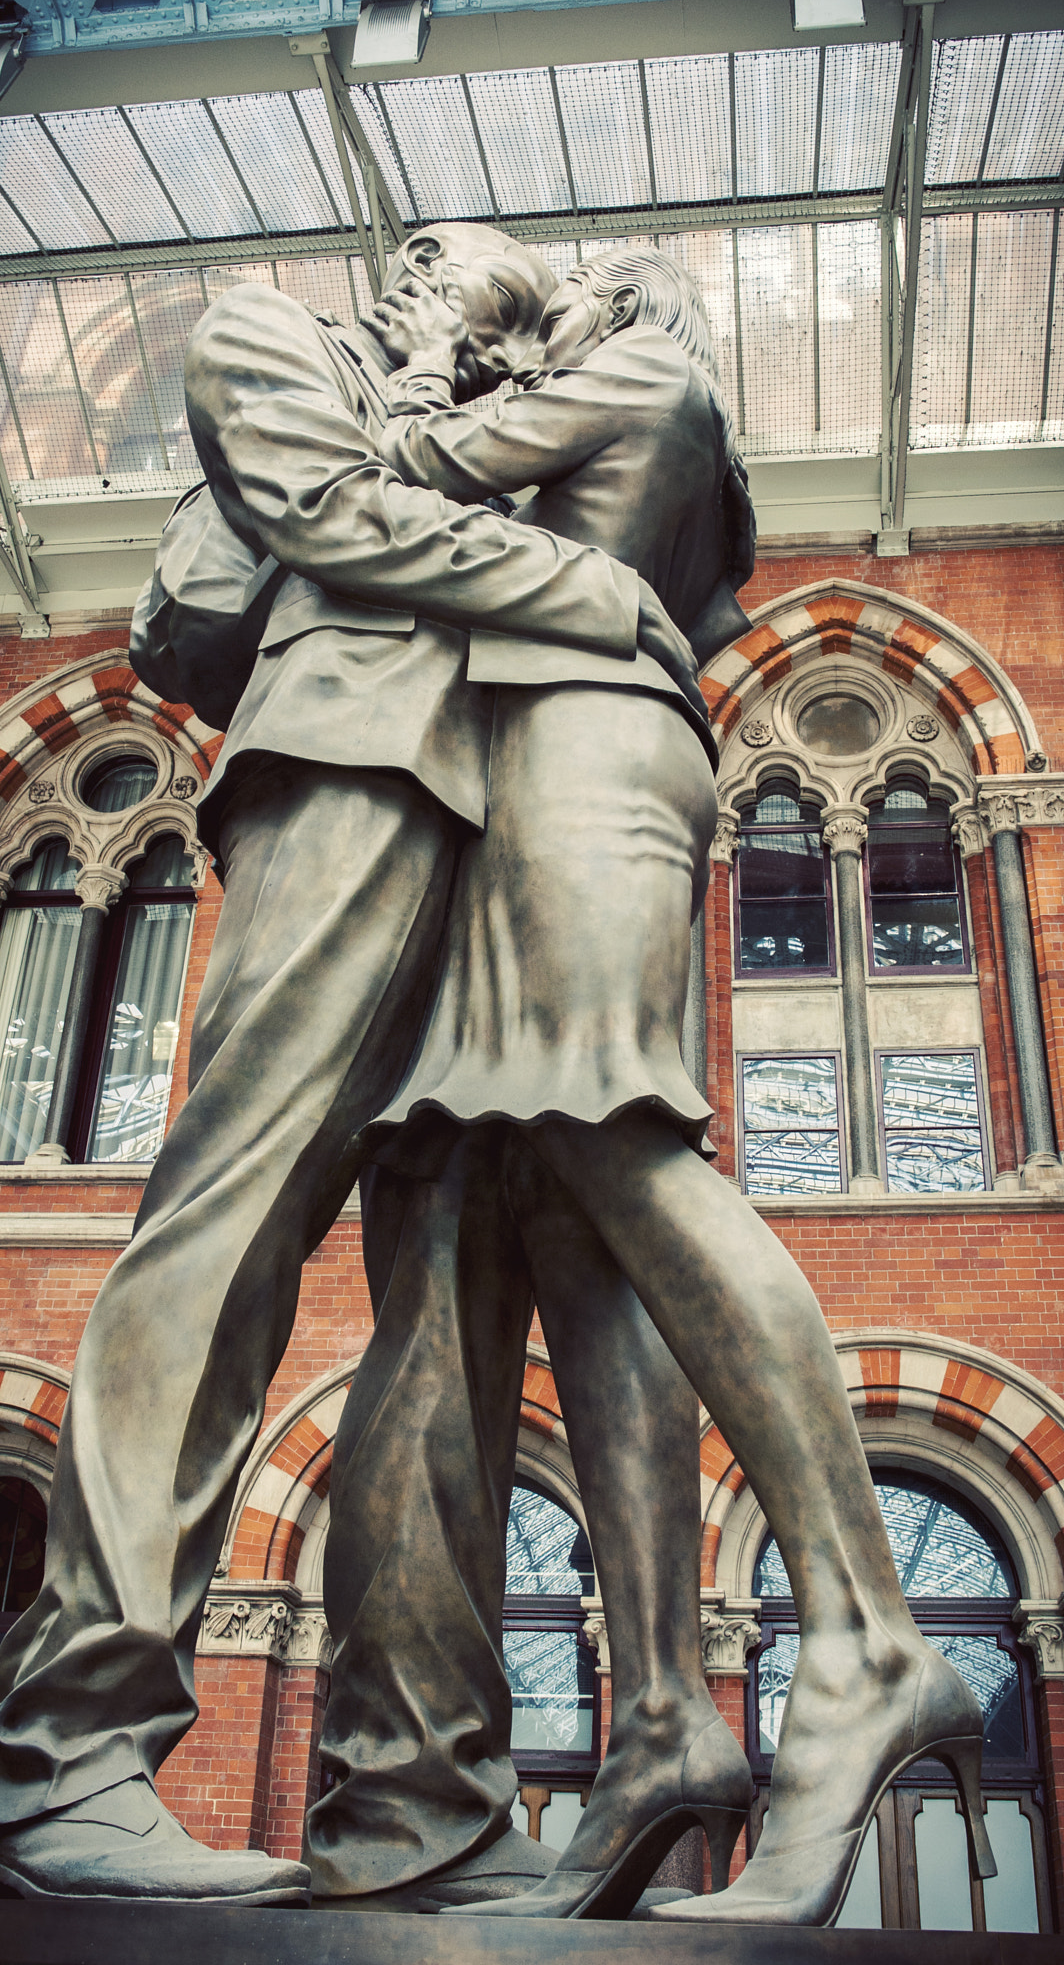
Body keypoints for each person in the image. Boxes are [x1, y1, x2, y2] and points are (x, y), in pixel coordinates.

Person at [0, 224, 741, 1911]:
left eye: (516, 312)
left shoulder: (497, 424)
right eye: (468, 276)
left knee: (451, 1312)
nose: (482, 315)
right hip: (346, 767)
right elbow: (332, 518)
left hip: (491, 827)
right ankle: (56, 1758)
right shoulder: (266, 332)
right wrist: (595, 594)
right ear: (401, 268)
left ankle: (418, 1803)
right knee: (228, 1214)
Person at [362, 246, 998, 1927]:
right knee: (569, 1210)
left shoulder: (639, 377)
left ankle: (867, 1637)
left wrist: (435, 357)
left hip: (582, 753)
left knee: (615, 1137)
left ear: (618, 307)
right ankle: (657, 1716)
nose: (534, 313)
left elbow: (404, 470)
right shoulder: (658, 439)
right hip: (559, 758)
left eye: (557, 298)